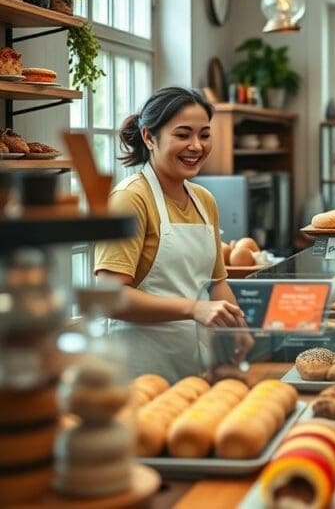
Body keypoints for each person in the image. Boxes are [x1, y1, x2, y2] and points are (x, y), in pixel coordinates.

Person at [95, 87, 246, 383]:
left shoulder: (204, 200)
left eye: (204, 135)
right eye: (182, 134)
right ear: (149, 137)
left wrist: (236, 328)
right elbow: (110, 297)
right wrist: (194, 308)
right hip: (136, 371)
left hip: (193, 366)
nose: (196, 146)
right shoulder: (130, 199)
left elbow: (217, 284)